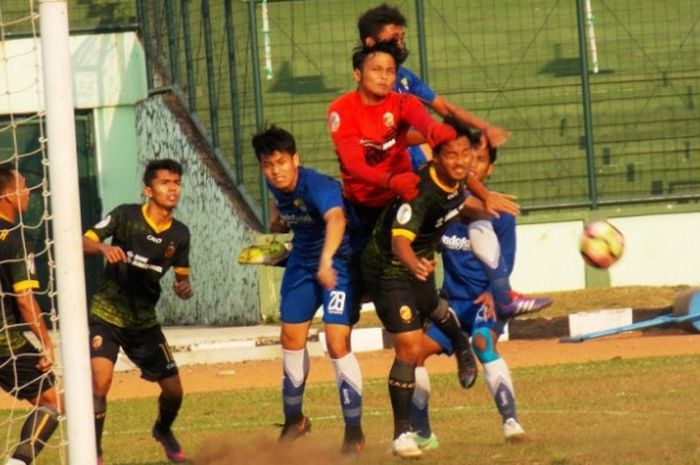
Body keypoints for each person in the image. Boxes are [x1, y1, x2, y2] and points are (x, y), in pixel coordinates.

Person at [361, 118, 480, 458]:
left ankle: (460, 344)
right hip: (390, 268)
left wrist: (489, 204)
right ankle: (402, 435)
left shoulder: (458, 182)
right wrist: (415, 264)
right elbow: (399, 244)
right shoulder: (421, 191)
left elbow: (462, 197)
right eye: (451, 154)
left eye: (466, 153)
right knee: (410, 348)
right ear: (435, 156)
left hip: (421, 259)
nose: (460, 161)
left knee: (430, 302)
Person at [410, 133, 529, 452]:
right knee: (414, 353)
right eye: (466, 157)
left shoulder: (497, 212)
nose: (471, 164)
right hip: (450, 301)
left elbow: (506, 260)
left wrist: (493, 292)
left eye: (480, 160)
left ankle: (511, 421)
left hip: (483, 302)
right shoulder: (443, 205)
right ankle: (422, 433)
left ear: (489, 169)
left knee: (482, 341)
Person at [251, 125, 365, 455]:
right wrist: (278, 222)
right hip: (302, 263)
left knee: (336, 341)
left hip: (337, 264)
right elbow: (287, 212)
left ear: (295, 159)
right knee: (289, 338)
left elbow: (336, 219)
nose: (276, 170)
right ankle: (294, 421)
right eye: (268, 165)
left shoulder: (318, 184)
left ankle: (354, 434)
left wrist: (327, 260)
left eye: (281, 162)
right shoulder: (279, 189)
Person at [83, 159, 193, 464]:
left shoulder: (180, 234)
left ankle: (162, 429)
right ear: (148, 189)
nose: (172, 188)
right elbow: (82, 241)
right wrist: (103, 249)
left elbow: (183, 279)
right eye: (164, 182)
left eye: (176, 182)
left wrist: (184, 288)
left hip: (144, 323)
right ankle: (94, 452)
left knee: (174, 392)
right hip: (107, 313)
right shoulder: (125, 216)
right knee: (100, 381)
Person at [357, 3, 511, 167]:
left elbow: (444, 107)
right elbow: (389, 139)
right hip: (385, 176)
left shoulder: (404, 76)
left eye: (402, 38)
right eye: (394, 38)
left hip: (413, 165)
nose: (400, 44)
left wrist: (485, 128)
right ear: (371, 43)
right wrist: (440, 134)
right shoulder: (372, 88)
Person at [0, 167, 61, 465]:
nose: (29, 192)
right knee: (52, 403)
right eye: (24, 186)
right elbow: (25, 301)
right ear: (9, 195)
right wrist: (46, 344)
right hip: (4, 342)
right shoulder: (15, 237)